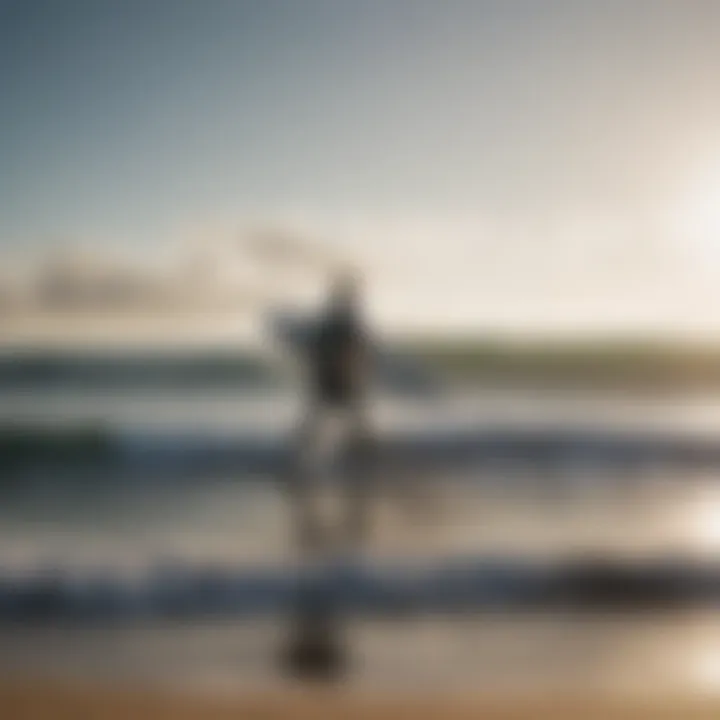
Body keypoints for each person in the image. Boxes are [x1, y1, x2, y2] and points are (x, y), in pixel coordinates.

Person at [291, 270, 374, 554]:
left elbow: (353, 352)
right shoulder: (340, 323)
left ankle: (302, 464)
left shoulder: (337, 323)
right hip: (334, 382)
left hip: (335, 383)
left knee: (325, 424)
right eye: (349, 297)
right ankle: (303, 463)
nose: (351, 301)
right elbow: (350, 351)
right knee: (327, 424)